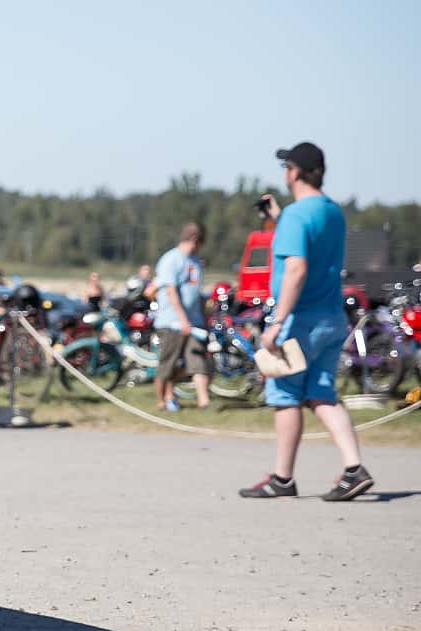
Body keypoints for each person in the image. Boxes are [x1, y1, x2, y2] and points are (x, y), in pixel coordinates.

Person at [241, 142, 373, 501]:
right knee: (322, 394)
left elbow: (296, 269)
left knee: (284, 396)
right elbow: (310, 237)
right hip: (331, 316)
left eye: (287, 167)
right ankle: (353, 467)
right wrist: (279, 216)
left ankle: (282, 477)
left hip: (298, 319)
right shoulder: (331, 211)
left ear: (295, 172)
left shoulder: (297, 217)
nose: (285, 173)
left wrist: (275, 323)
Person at [151, 221, 211, 412]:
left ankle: (204, 402)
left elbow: (197, 293)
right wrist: (183, 319)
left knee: (197, 361)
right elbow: (171, 292)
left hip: (195, 323)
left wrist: (203, 318)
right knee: (168, 364)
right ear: (194, 239)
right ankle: (162, 400)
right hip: (172, 323)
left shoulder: (195, 262)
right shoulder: (171, 260)